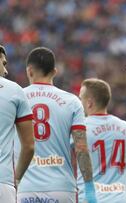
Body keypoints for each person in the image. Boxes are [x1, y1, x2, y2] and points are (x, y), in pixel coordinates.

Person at [15, 47, 97, 203]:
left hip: (25, 187)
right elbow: (81, 148)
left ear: (29, 71)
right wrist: (89, 186)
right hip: (62, 188)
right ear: (54, 71)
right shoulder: (72, 102)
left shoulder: (17, 98)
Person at [77, 78, 126, 202]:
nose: (79, 102)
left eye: (81, 98)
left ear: (89, 103)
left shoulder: (80, 129)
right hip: (120, 199)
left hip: (90, 198)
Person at [0, 45, 34, 203]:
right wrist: (17, 178)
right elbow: (29, 146)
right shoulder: (14, 91)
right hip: (3, 181)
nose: (6, 71)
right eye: (4, 63)